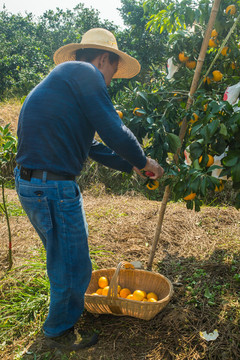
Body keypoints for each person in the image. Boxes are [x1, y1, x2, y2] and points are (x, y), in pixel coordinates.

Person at [14, 28, 164, 350]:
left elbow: (94, 146)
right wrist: (144, 159)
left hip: (33, 182)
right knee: (73, 264)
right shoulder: (85, 73)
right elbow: (114, 130)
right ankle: (57, 333)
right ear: (104, 59)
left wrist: (133, 166)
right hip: (51, 186)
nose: (109, 81)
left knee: (63, 258)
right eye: (112, 72)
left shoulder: (67, 78)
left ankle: (64, 318)